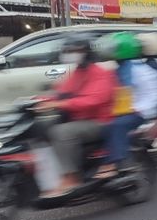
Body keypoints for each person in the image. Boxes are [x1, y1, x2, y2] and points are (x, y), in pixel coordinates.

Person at [38, 34, 117, 197]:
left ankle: (71, 177)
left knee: (61, 132)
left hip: (99, 122)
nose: (70, 53)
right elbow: (63, 92)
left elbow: (94, 100)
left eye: (74, 50)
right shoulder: (78, 72)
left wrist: (58, 104)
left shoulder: (100, 73)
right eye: (68, 50)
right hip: (80, 119)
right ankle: (49, 177)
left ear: (86, 52)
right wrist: (40, 100)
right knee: (41, 129)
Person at [94, 33, 157, 179]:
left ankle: (113, 162)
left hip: (139, 112)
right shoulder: (118, 68)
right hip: (121, 110)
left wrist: (139, 108)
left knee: (117, 125)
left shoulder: (141, 71)